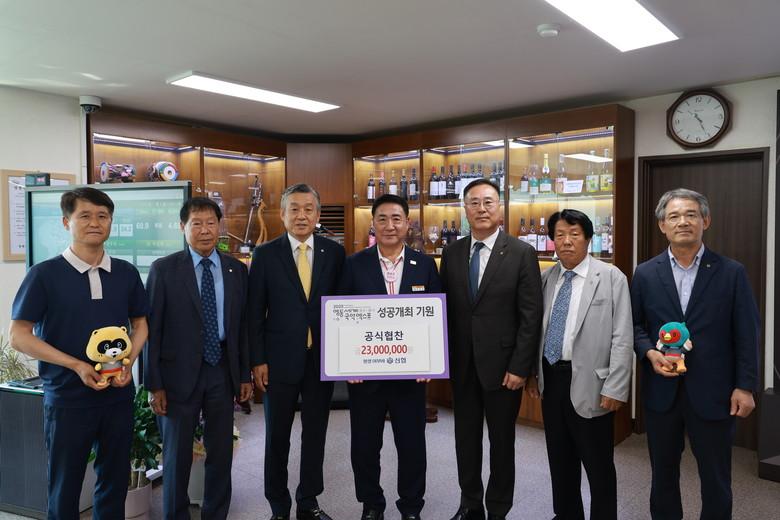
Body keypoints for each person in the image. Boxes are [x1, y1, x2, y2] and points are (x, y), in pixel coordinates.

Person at [9, 187, 148, 519]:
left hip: (117, 395)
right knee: (65, 485)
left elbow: (141, 324)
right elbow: (19, 336)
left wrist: (128, 362)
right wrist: (75, 365)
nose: (95, 223)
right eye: (84, 215)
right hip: (67, 397)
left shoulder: (125, 272)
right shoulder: (44, 275)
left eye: (103, 216)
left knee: (114, 481)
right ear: (65, 221)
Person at [631, 188, 760, 520]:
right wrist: (649, 353)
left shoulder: (731, 272)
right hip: (662, 392)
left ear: (706, 221)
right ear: (662, 225)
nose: (683, 222)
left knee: (716, 478)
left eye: (691, 214)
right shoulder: (645, 273)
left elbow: (747, 333)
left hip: (715, 392)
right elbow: (635, 326)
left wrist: (745, 386)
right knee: (662, 475)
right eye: (674, 216)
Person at [439, 178, 543, 520]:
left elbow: (530, 315)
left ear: (500, 208)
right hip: (462, 364)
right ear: (465, 209)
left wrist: (520, 367)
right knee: (465, 440)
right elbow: (443, 310)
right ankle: (470, 504)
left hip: (503, 368)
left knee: (501, 443)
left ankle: (498, 508)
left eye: (488, 202)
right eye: (474, 202)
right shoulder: (452, 253)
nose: (481, 209)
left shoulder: (521, 252)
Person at [144, 197, 252, 519]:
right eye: (197, 224)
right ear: (183, 227)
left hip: (221, 370)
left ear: (219, 226)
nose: (205, 230)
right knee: (176, 457)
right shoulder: (164, 269)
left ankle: (215, 513)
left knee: (221, 453)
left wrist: (243, 375)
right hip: (176, 376)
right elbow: (151, 330)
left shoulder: (236, 269)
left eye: (211, 223)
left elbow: (242, 327)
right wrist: (154, 384)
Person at [338, 194, 441, 520]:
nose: (390, 225)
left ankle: (411, 506)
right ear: (373, 224)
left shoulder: (425, 265)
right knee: (365, 445)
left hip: (410, 376)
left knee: (412, 445)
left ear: (407, 223)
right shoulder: (354, 264)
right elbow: (341, 317)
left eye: (397, 218)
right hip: (365, 376)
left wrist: (431, 359)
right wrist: (347, 362)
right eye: (382, 219)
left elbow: (436, 316)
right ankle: (371, 504)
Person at [526, 209, 632, 520]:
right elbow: (536, 331)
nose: (567, 241)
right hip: (552, 379)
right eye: (560, 235)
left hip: (594, 384)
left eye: (574, 234)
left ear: (588, 238)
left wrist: (616, 386)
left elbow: (622, 336)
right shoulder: (546, 278)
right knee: (560, 462)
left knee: (599, 467)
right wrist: (533, 374)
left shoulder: (611, 277)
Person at [249, 183, 345, 520]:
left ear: (318, 215)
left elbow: (344, 307)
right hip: (278, 361)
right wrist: (257, 359)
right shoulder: (265, 254)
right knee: (277, 436)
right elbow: (254, 312)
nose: (301, 215)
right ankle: (278, 507)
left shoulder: (334, 253)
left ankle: (308, 502)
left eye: (308, 209)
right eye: (294, 209)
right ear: (282, 214)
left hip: (320, 360)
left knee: (316, 434)